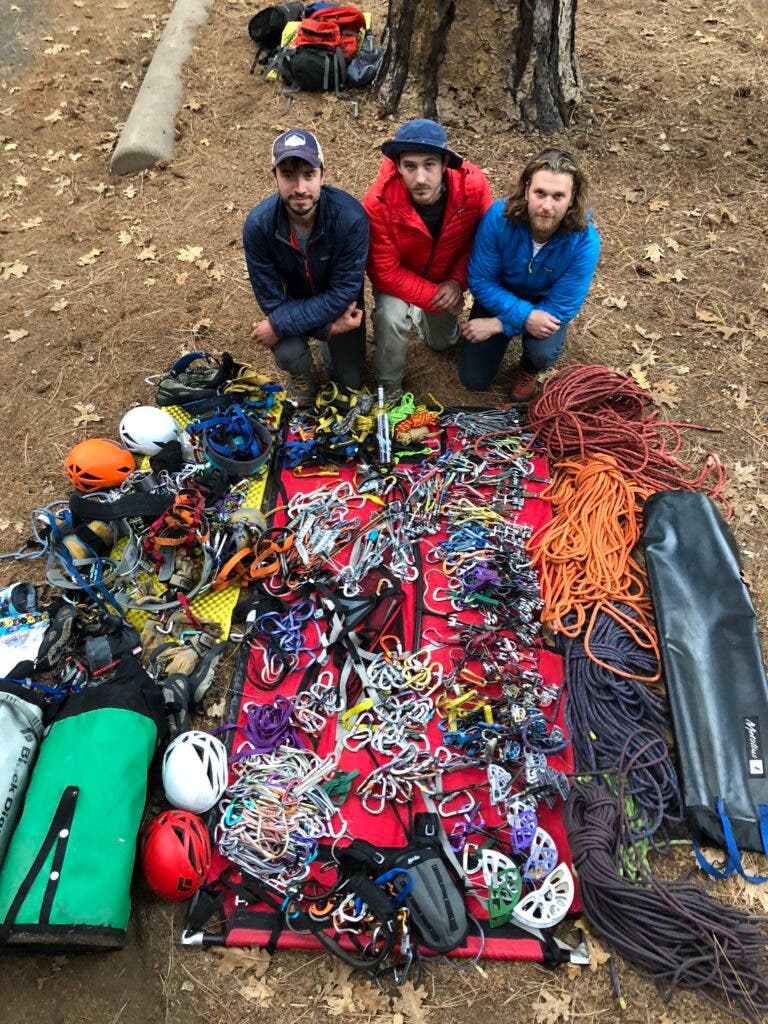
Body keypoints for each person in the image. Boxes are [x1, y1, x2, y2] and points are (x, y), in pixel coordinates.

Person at [363, 119, 493, 400]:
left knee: (443, 343)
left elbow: (483, 242)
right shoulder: (378, 202)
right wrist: (434, 294)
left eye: (429, 165)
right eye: (410, 166)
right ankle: (390, 386)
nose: (420, 178)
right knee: (391, 316)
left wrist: (457, 281)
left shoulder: (473, 186)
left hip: (444, 275)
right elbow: (384, 272)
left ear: (445, 163)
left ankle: (421, 316)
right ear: (397, 166)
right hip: (399, 278)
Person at [459, 148, 600, 401]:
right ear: (526, 191)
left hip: (546, 305)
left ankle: (529, 367)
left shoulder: (584, 242)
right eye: (540, 193)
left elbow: (563, 306)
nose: (547, 206)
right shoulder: (498, 218)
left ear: (572, 199)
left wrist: (499, 324)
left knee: (542, 352)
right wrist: (524, 316)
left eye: (558, 196)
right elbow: (481, 281)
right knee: (473, 379)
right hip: (499, 294)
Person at [243, 129, 368, 403]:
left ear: (323, 175)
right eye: (288, 175)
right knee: (285, 345)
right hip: (293, 304)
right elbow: (270, 299)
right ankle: (301, 373)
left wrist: (280, 324)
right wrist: (328, 329)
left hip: (341, 306)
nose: (300, 188)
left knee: (350, 384)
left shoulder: (351, 218)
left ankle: (335, 354)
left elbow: (343, 292)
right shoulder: (258, 226)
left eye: (309, 175)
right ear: (274, 177)